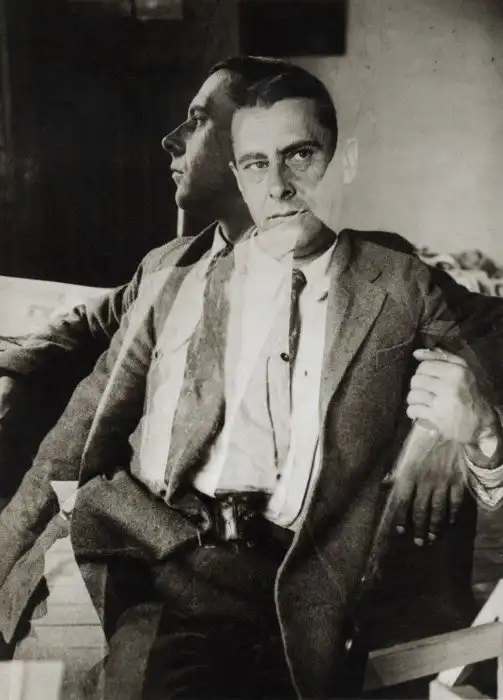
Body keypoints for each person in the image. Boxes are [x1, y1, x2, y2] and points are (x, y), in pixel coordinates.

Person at [2, 58, 503, 697]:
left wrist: (463, 435)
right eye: (257, 163)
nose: (280, 186)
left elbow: (486, 340)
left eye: (301, 156)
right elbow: (78, 413)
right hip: (158, 549)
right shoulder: (173, 271)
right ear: (239, 171)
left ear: (339, 162)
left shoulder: (394, 279)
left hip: (296, 577)